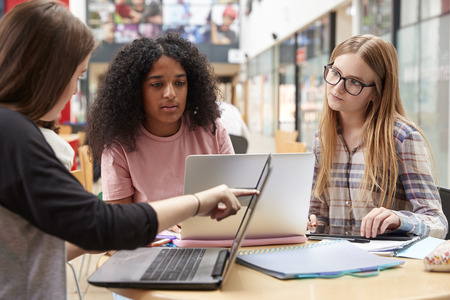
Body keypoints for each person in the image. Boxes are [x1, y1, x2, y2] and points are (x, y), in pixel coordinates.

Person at [0, 1, 256, 298]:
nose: (73, 90)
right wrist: (198, 202)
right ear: (48, 75)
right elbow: (99, 223)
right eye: (77, 75)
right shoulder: (13, 134)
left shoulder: (13, 131)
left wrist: (128, 231)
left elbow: (67, 236)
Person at [308, 34, 448, 239]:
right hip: (333, 261)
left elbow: (437, 223)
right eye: (335, 73)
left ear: (377, 93)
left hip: (386, 264)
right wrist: (311, 222)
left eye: (354, 82)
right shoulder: (322, 138)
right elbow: (318, 215)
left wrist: (399, 219)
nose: (337, 87)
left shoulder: (402, 138)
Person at [86, 33, 234, 212]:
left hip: (211, 235)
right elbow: (121, 225)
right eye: (157, 85)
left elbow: (234, 197)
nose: (170, 93)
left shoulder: (212, 128)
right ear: (135, 91)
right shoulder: (118, 144)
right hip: (151, 238)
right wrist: (163, 225)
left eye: (179, 83)